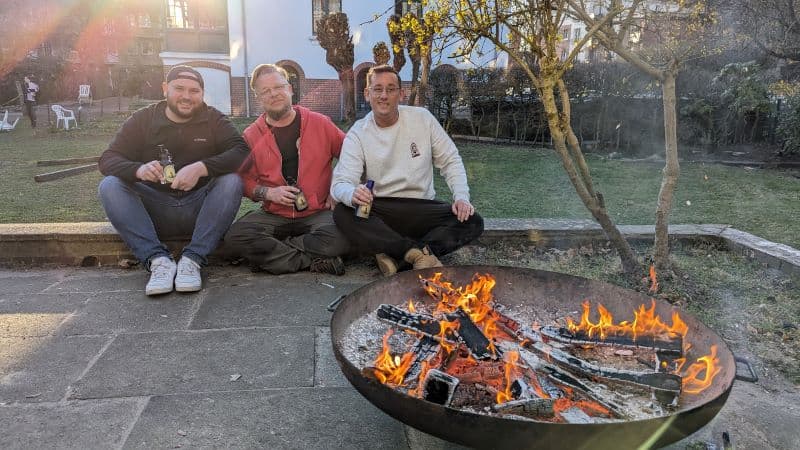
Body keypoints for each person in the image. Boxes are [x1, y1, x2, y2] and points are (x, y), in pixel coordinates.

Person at [97, 66, 248, 296]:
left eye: (194, 91)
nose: (187, 96)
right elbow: (108, 159)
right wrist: (138, 170)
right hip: (154, 210)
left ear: (202, 94)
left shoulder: (213, 118)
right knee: (110, 185)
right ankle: (158, 261)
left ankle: (193, 260)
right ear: (165, 89)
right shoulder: (143, 119)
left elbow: (241, 152)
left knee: (231, 181)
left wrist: (202, 167)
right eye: (179, 89)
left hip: (200, 210)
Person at [330, 65, 483, 276]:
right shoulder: (358, 133)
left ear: (401, 94)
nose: (384, 96)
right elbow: (340, 183)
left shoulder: (423, 119)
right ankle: (417, 255)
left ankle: (397, 256)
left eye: (391, 89)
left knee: (473, 221)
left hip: (421, 207)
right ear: (367, 94)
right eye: (377, 89)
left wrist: (461, 197)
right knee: (342, 212)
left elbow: (450, 160)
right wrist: (352, 193)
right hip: (383, 210)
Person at [224, 64, 349, 275]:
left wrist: (336, 188)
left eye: (278, 87)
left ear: (290, 89)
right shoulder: (251, 135)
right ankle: (314, 260)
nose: (273, 94)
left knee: (343, 235)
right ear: (258, 98)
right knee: (236, 236)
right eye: (265, 91)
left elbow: (351, 157)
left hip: (316, 213)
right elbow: (242, 179)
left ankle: (274, 256)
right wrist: (268, 193)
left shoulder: (320, 123)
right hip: (274, 214)